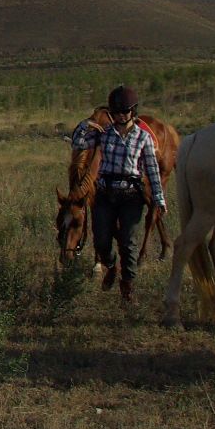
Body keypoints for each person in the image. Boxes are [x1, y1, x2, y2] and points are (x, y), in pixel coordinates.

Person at [71, 85, 165, 303]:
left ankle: (127, 285)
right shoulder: (103, 135)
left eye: (126, 111)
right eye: (117, 112)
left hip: (131, 195)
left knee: (127, 242)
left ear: (134, 111)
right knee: (101, 240)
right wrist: (84, 126)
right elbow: (78, 143)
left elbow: (151, 169)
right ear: (112, 113)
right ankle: (110, 266)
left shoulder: (143, 138)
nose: (122, 116)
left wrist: (158, 199)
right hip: (105, 192)